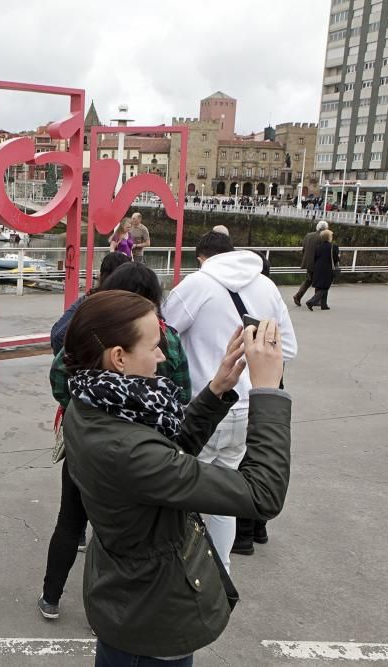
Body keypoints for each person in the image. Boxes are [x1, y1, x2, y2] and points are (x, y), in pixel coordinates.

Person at [63, 290, 291, 666]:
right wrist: (267, 391)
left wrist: (218, 388)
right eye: (154, 346)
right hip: (152, 620)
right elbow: (261, 494)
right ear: (119, 357)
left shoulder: (91, 400)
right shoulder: (127, 448)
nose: (162, 356)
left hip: (129, 601)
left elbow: (166, 453)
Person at [39, 264, 192, 622]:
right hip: (144, 449)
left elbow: (59, 378)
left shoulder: (89, 332)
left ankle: (51, 596)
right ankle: (107, 612)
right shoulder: (165, 336)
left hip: (85, 445)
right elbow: (183, 391)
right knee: (117, 532)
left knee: (69, 519)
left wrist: (80, 408)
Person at [162, 232, 297, 569]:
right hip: (249, 405)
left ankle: (181, 571)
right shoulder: (265, 286)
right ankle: (220, 569)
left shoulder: (195, 286)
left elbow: (160, 339)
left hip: (204, 405)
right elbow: (289, 348)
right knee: (226, 496)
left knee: (184, 492)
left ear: (201, 257)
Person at [50, 253, 131, 354]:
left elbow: (56, 335)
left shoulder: (88, 297)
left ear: (101, 274)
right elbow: (60, 338)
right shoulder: (106, 304)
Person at [292, 220, 327, 307]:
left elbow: (303, 248)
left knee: (309, 280)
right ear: (325, 229)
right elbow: (323, 251)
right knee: (319, 281)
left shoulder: (308, 235)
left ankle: (300, 296)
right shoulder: (323, 237)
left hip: (308, 262)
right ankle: (312, 299)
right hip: (318, 263)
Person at [305, 229, 340, 311]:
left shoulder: (318, 247)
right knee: (325, 287)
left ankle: (324, 304)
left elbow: (315, 257)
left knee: (322, 285)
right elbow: (336, 259)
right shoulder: (333, 247)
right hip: (327, 268)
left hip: (318, 268)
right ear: (329, 237)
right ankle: (311, 301)